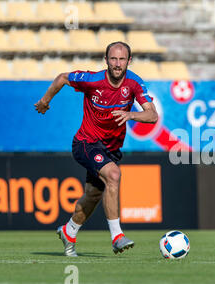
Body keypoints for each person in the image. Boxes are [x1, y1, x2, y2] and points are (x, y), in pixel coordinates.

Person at [34, 42, 159, 256]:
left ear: (129, 61)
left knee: (93, 195)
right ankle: (117, 236)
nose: (117, 64)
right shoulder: (92, 80)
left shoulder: (135, 83)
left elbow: (152, 115)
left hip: (110, 149)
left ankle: (69, 230)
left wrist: (131, 114)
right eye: (113, 59)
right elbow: (63, 78)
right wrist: (45, 101)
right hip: (86, 143)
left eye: (122, 59)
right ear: (106, 60)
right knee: (113, 174)